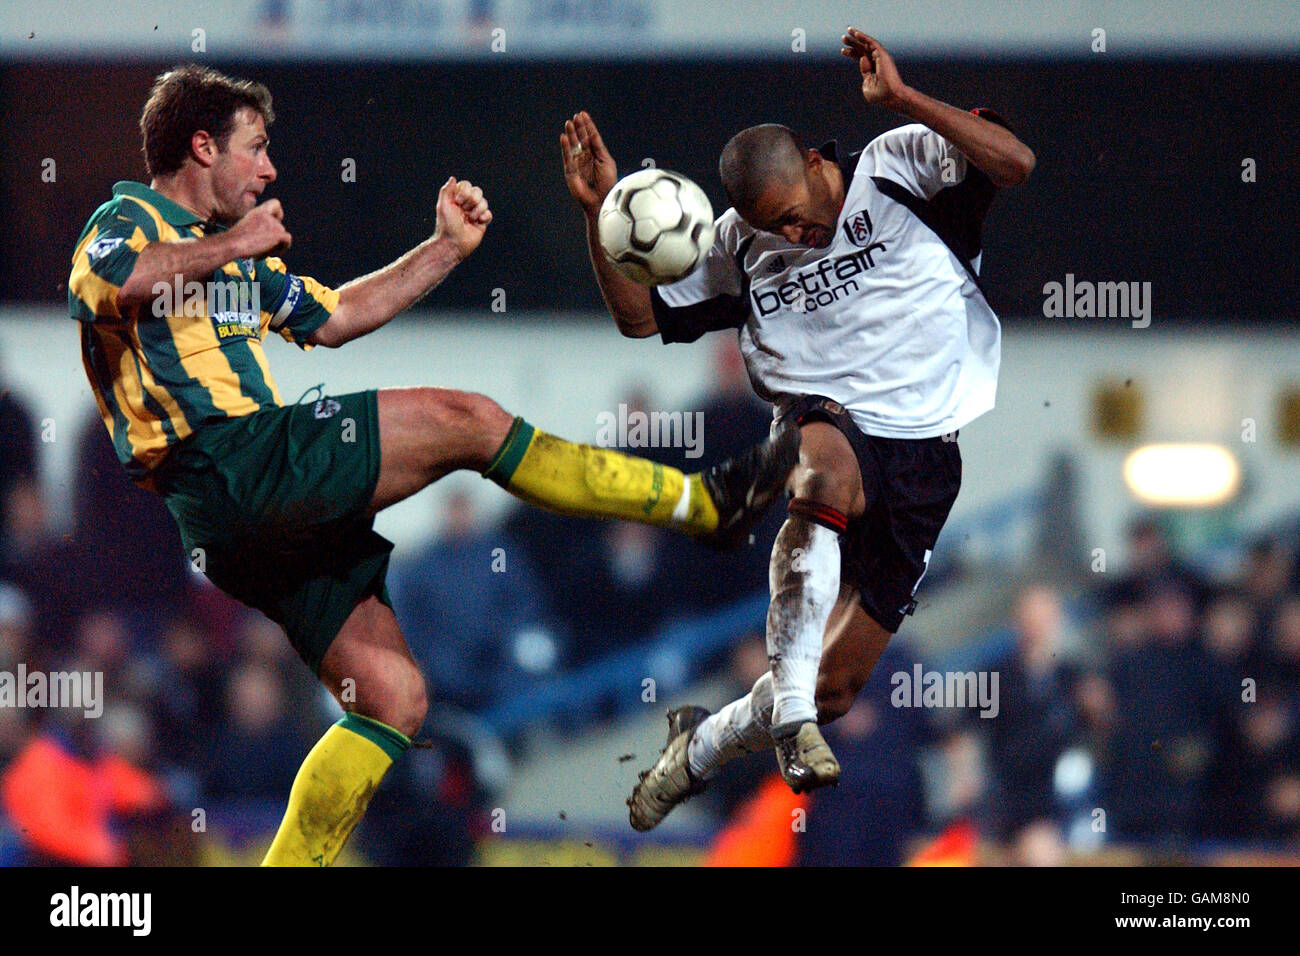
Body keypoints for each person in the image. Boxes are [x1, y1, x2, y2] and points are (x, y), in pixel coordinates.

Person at [67, 64, 798, 865]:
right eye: (257, 147)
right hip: (225, 463)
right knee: (468, 421)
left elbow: (340, 314)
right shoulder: (127, 217)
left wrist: (444, 250)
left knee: (393, 701)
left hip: (246, 516)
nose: (270, 167)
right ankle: (702, 503)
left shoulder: (237, 266)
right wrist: (235, 242)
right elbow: (115, 283)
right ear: (202, 146)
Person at [560, 28, 1035, 829]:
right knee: (825, 465)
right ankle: (787, 712)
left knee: (839, 689)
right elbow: (640, 320)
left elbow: (1016, 163)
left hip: (926, 455)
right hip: (825, 425)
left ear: (816, 165)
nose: (792, 239)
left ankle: (700, 746)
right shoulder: (741, 244)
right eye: (770, 228)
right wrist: (603, 219)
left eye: (796, 219)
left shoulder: (901, 165)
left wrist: (905, 97)